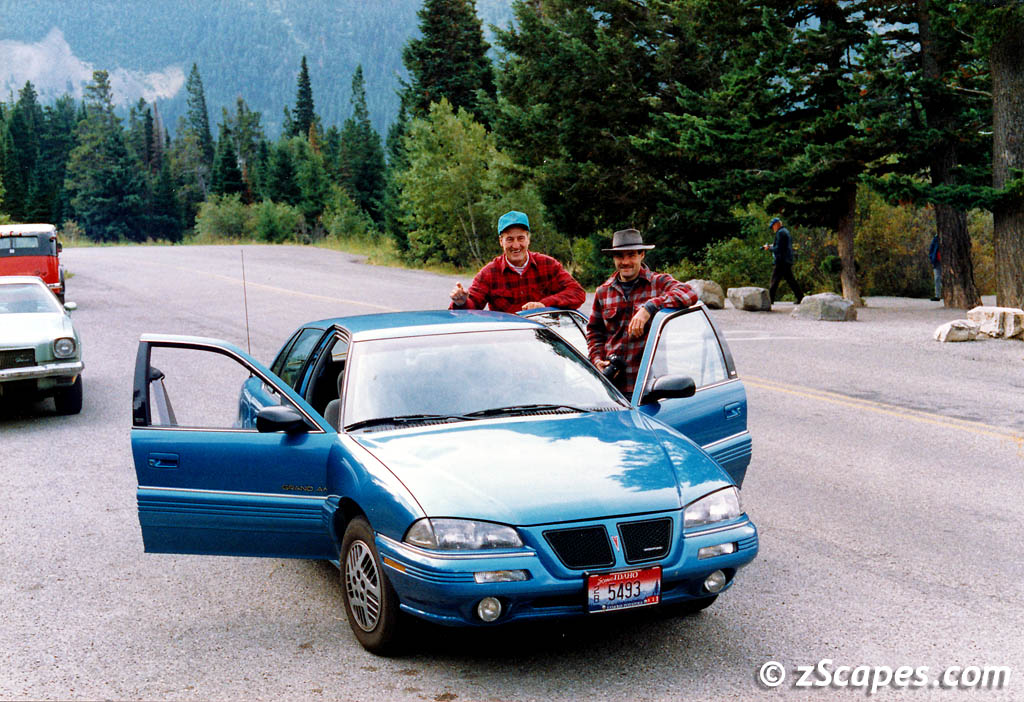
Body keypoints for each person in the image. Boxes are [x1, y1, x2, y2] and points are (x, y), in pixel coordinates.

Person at [586, 228, 698, 396]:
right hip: (611, 389)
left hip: (649, 388)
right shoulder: (603, 292)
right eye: (620, 256)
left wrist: (649, 308)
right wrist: (597, 360)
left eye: (631, 255)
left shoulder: (658, 283)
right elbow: (595, 332)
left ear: (642, 255)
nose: (625, 262)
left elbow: (689, 293)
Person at [449, 210, 585, 313]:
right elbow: (471, 308)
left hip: (545, 340)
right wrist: (461, 302)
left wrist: (544, 304)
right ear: (501, 241)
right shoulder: (489, 273)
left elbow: (577, 293)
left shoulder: (548, 265)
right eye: (509, 239)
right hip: (507, 341)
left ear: (528, 239)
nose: (515, 245)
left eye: (520, 238)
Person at [763, 217, 804, 304]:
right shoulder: (785, 231)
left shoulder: (780, 233)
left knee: (774, 280)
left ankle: (770, 300)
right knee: (791, 280)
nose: (772, 229)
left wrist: (769, 248)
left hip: (781, 261)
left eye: (773, 226)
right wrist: (772, 246)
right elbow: (782, 245)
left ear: (777, 224)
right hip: (787, 260)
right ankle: (800, 297)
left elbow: (778, 248)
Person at [928, 234, 941, 301]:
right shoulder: (936, 239)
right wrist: (931, 257)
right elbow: (931, 248)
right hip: (937, 261)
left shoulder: (950, 237)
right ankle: (937, 295)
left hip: (946, 261)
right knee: (937, 278)